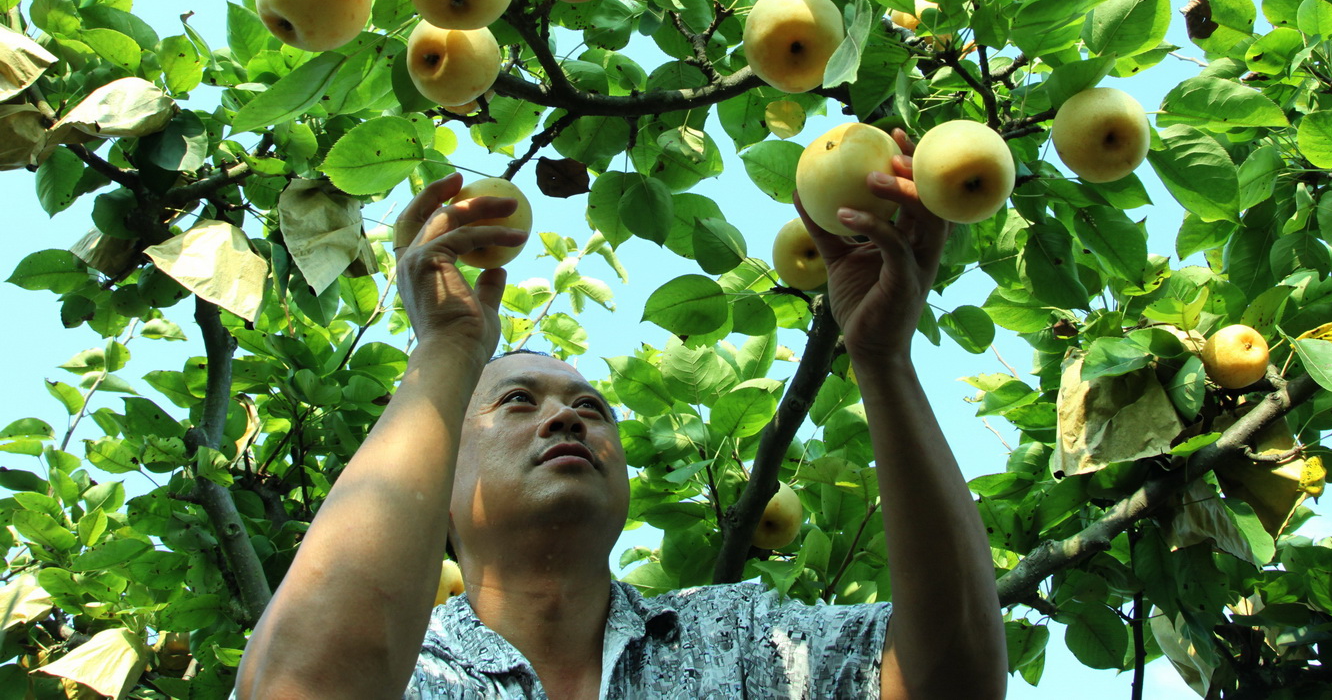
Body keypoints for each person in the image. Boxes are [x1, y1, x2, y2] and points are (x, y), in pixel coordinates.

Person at [234, 130, 1007, 699]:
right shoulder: (412, 668)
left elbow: (955, 681)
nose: (568, 419)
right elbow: (300, 686)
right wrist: (449, 346)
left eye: (591, 409)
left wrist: (882, 359)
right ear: (438, 487)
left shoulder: (743, 641)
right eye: (516, 401)